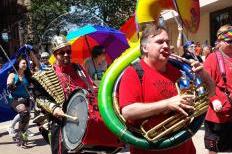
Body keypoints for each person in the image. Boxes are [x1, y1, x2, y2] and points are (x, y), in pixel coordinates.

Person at [119, 23, 215, 154]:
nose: (166, 46)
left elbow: (210, 94)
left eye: (167, 42)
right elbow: (128, 111)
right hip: (151, 149)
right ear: (145, 47)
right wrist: (168, 104)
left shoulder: (180, 71)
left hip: (184, 147)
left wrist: (203, 74)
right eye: (159, 42)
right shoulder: (133, 72)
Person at [204, 24, 232, 154]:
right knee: (213, 148)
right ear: (220, 42)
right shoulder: (212, 58)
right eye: (229, 42)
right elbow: (204, 82)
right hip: (217, 115)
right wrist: (214, 99)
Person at [7, 56, 33, 145]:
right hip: (15, 99)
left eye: (26, 63)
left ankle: (21, 134)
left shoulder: (27, 76)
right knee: (24, 113)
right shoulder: (12, 75)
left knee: (27, 117)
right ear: (18, 65)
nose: (25, 64)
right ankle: (19, 134)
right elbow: (10, 88)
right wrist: (18, 82)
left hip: (26, 99)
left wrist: (32, 92)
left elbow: (30, 87)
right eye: (23, 63)